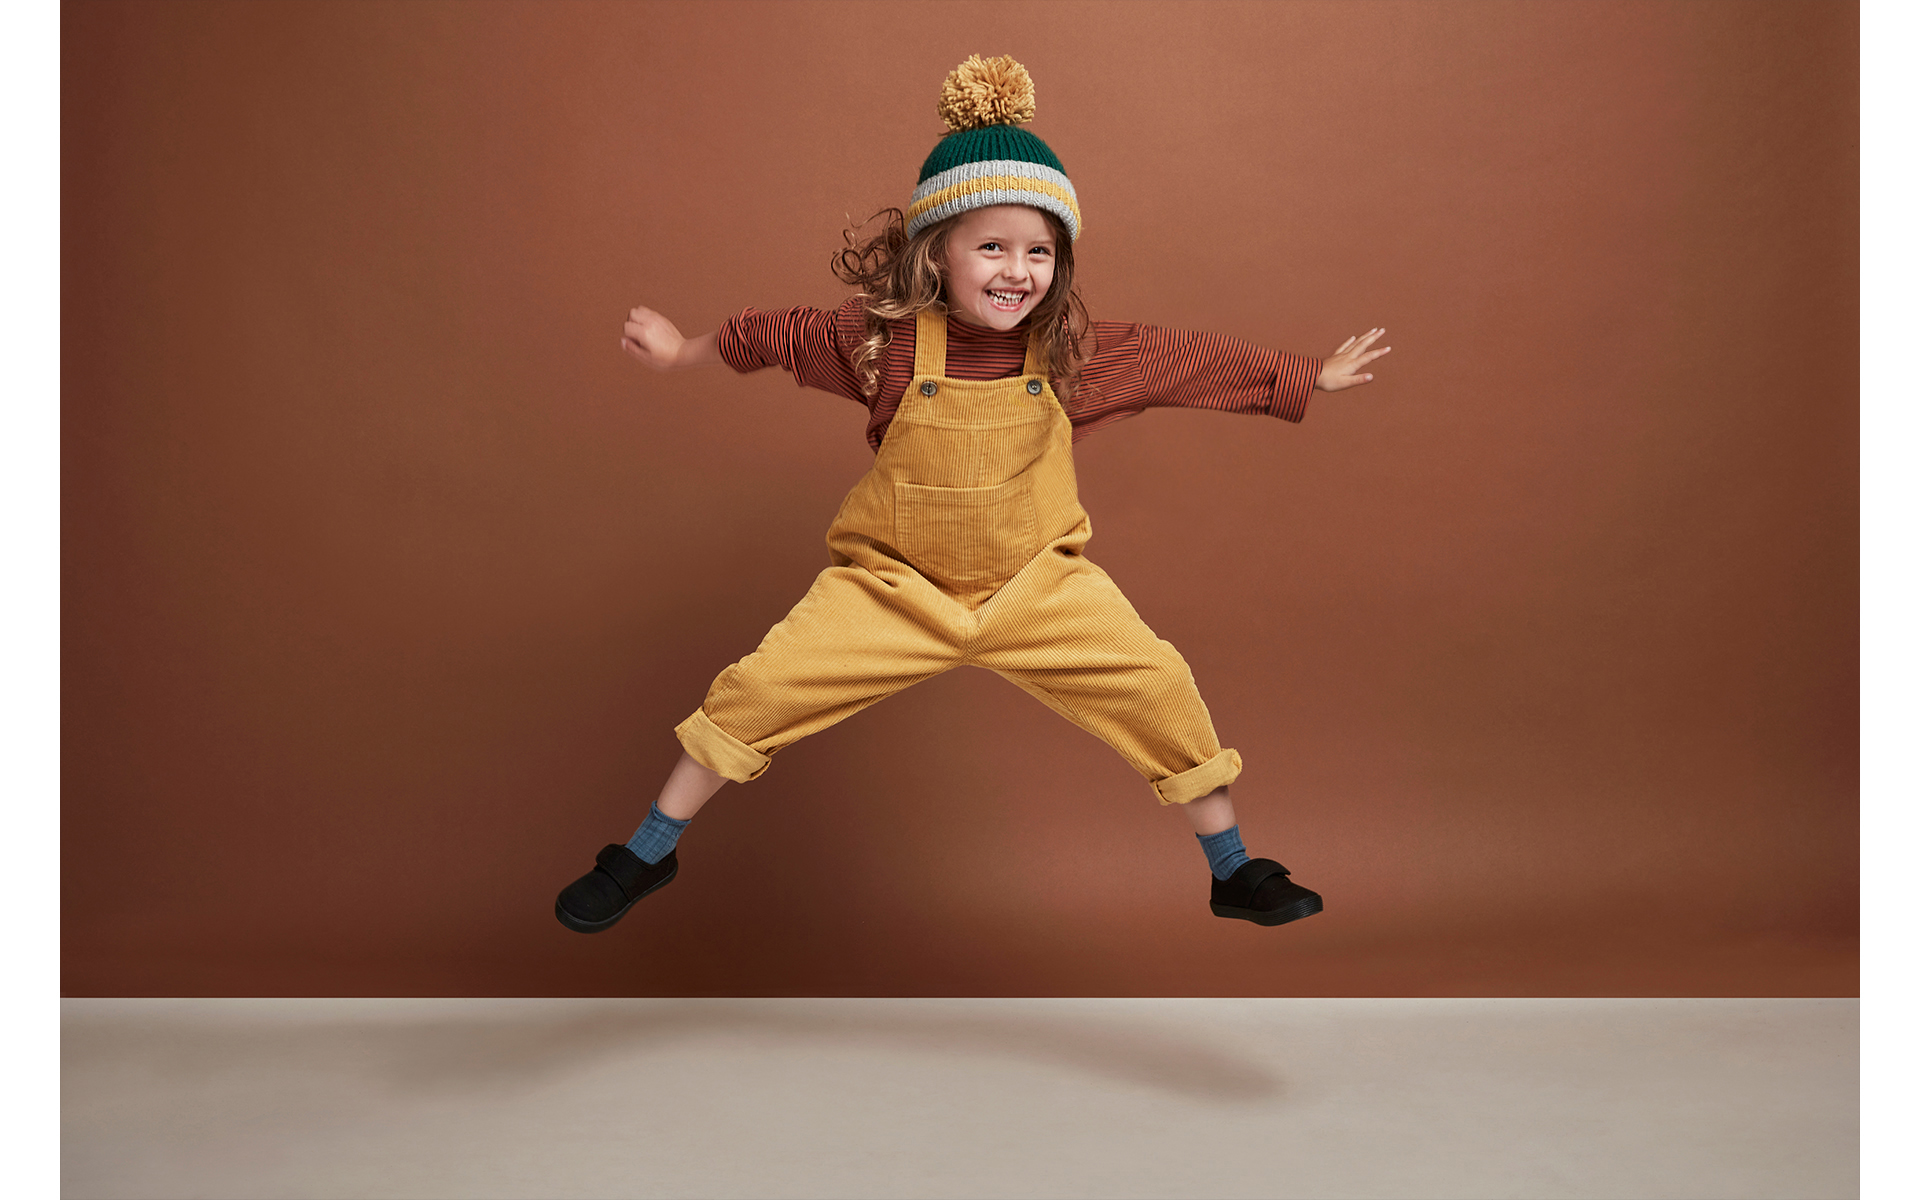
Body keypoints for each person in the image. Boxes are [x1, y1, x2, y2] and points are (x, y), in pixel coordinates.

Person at [555, 54, 1388, 935]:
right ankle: (645, 852)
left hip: (1039, 588)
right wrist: (681, 350)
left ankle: (1233, 868)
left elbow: (1188, 362)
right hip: (891, 589)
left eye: (1039, 251)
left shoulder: (1069, 352)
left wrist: (1306, 375)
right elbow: (767, 334)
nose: (1016, 269)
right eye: (992, 245)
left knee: (1162, 686)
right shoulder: (882, 343)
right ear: (937, 251)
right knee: (752, 693)